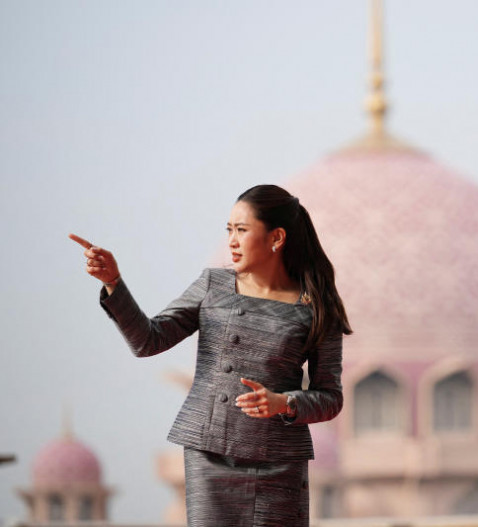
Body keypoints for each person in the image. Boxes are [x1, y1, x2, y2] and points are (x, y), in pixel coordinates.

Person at [70, 184, 351, 527]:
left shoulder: (318, 308)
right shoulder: (212, 286)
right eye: (229, 230)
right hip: (209, 450)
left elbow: (330, 397)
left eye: (242, 230)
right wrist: (114, 282)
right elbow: (148, 341)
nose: (232, 240)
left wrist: (284, 403)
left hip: (278, 461)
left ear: (276, 237)